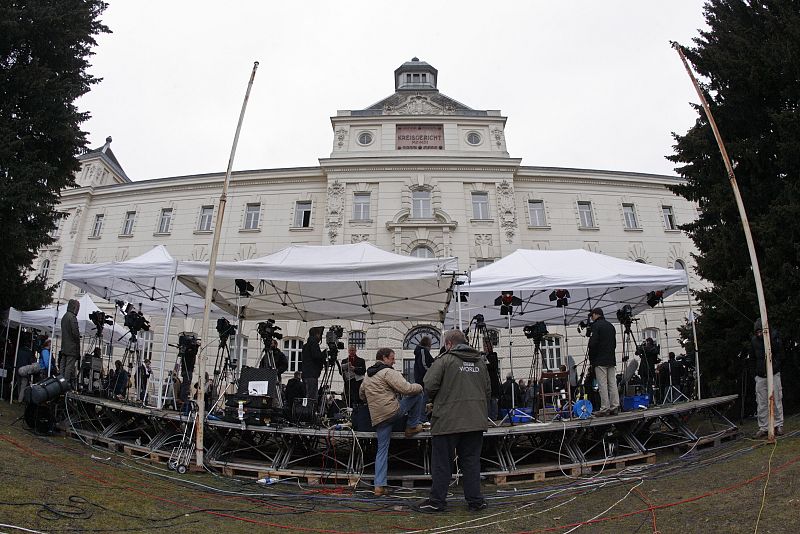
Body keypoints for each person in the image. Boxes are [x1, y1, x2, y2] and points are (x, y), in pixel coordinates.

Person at [416, 329, 491, 513]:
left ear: (448, 344)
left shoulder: (445, 360)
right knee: (472, 462)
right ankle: (475, 501)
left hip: (448, 421)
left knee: (443, 463)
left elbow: (429, 386)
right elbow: (488, 391)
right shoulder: (481, 362)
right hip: (475, 420)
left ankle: (437, 501)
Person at [360, 347, 425, 497]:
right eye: (392, 358)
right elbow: (407, 389)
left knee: (382, 451)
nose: (394, 361)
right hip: (392, 413)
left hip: (378, 419)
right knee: (417, 394)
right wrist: (420, 386)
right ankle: (412, 426)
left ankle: (379, 486)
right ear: (384, 358)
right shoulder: (388, 372)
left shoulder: (368, 375)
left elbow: (362, 395)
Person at [751, 319, 784, 438]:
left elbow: (779, 354)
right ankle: (764, 427)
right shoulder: (754, 341)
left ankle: (778, 425)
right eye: (757, 332)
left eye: (761, 332)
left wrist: (775, 366)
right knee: (761, 402)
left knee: (776, 399)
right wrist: (756, 372)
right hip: (761, 375)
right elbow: (753, 358)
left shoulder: (774, 337)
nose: (759, 334)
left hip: (773, 373)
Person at [587, 308, 619, 416]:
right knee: (612, 383)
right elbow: (614, 344)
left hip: (600, 360)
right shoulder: (611, 326)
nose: (591, 318)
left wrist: (592, 360)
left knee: (602, 385)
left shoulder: (596, 326)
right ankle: (615, 406)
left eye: (592, 316)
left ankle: (605, 408)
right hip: (611, 358)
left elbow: (592, 344)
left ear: (596, 315)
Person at [300, 327, 325, 404]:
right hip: (311, 374)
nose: (320, 337)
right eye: (319, 334)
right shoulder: (314, 343)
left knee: (306, 396)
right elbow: (316, 356)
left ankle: (305, 412)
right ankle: (309, 412)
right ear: (316, 334)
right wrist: (324, 353)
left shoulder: (306, 345)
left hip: (305, 374)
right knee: (311, 397)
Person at [60, 298, 81, 387]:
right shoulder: (72, 317)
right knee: (69, 367)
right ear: (74, 307)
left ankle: (60, 382)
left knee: (63, 366)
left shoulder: (64, 316)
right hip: (72, 347)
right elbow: (75, 333)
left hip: (64, 346)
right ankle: (65, 384)